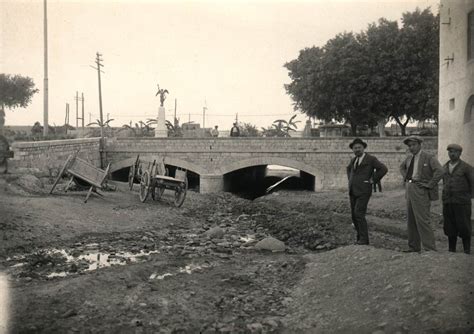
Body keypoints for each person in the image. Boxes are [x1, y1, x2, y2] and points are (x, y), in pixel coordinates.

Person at [400, 136, 444, 252]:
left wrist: (430, 184)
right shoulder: (409, 158)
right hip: (410, 189)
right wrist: (406, 177)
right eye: (409, 146)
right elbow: (402, 168)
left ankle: (430, 249)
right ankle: (413, 247)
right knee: (411, 220)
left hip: (421, 190)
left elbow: (440, 171)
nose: (411, 147)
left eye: (413, 145)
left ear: (420, 145)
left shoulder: (428, 157)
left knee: (423, 220)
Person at [347, 138, 388, 245]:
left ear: (363, 148)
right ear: (352, 150)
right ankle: (359, 238)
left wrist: (372, 180)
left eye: (359, 147)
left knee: (359, 213)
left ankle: (364, 240)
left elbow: (383, 169)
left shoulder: (371, 159)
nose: (357, 150)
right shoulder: (353, 160)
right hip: (353, 191)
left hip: (364, 191)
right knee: (353, 215)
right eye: (355, 148)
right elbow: (349, 170)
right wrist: (351, 181)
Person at [442, 144, 473, 254]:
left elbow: (472, 183)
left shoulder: (466, 167)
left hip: (462, 202)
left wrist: (468, 196)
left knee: (464, 226)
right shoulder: (444, 167)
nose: (452, 154)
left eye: (455, 152)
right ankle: (451, 250)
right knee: (450, 227)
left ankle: (467, 250)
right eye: (450, 152)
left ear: (460, 153)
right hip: (448, 202)